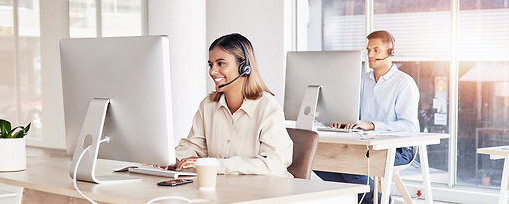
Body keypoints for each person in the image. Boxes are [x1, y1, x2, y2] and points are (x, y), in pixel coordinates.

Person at [164, 33, 293, 177]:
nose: (212, 71)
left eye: (221, 63)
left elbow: (274, 164)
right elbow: (194, 146)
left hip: (265, 192)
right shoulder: (208, 105)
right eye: (211, 65)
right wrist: (174, 159)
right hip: (226, 189)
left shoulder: (267, 107)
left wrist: (215, 165)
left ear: (244, 67)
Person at [318, 30, 420, 204]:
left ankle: (377, 200)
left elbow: (410, 126)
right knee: (321, 161)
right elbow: (357, 116)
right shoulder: (364, 80)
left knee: (351, 165)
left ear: (390, 52)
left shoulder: (404, 83)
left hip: (398, 149)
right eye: (368, 50)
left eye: (376, 50)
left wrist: (373, 125)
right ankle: (371, 197)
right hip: (364, 145)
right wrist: (346, 120)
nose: (370, 55)